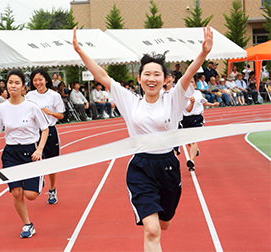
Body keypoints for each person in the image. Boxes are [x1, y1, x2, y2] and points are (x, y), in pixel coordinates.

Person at [73, 25, 213, 251]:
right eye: (147, 74)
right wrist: (80, 52)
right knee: (152, 229)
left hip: (168, 166)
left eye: (157, 74)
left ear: (165, 79)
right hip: (141, 168)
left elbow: (188, 74)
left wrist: (203, 54)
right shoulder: (130, 101)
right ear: (139, 78)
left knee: (164, 224)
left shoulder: (174, 98)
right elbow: (103, 76)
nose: (151, 78)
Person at [0, 68, 49, 239]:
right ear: (6, 85)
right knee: (16, 193)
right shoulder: (1, 108)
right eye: (10, 82)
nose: (13, 86)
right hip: (10, 152)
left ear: (23, 86)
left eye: (17, 83)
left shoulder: (31, 107)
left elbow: (45, 129)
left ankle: (40, 178)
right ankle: (27, 224)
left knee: (30, 195)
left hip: (31, 151)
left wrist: (39, 150)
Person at [26, 68, 65, 204]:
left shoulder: (54, 95)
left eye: (40, 80)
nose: (38, 82)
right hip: (35, 132)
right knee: (34, 160)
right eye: (35, 80)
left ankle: (52, 189)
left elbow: (61, 115)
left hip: (50, 131)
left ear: (46, 80)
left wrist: (49, 112)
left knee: (51, 163)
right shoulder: (29, 96)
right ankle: (38, 182)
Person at [182, 76, 219, 171]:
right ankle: (195, 150)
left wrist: (212, 104)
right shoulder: (183, 95)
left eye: (193, 82)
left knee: (193, 140)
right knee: (188, 141)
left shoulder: (198, 93)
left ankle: (191, 161)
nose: (192, 84)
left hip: (197, 118)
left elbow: (204, 102)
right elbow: (187, 109)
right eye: (189, 82)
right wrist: (191, 102)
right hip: (185, 119)